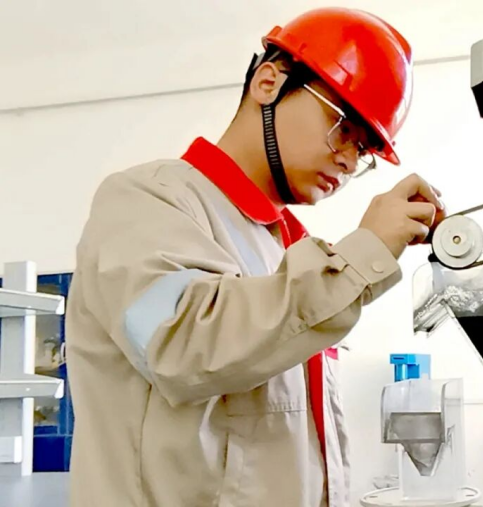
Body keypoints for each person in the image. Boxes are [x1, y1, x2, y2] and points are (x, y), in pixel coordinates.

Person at [64, 7, 445, 507]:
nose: (349, 159)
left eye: (365, 150)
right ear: (269, 82)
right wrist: (360, 257)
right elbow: (182, 345)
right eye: (343, 127)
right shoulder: (147, 200)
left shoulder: (289, 249)